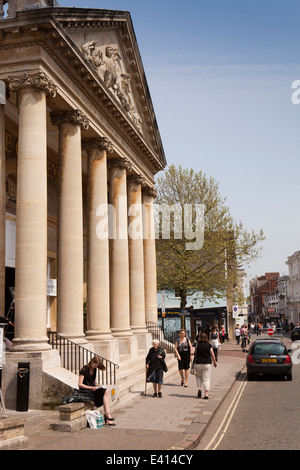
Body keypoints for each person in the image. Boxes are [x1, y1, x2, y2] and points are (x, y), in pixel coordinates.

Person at [78, 356, 116, 426]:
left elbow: (92, 380)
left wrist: (97, 385)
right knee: (104, 392)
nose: (96, 367)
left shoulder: (95, 369)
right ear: (92, 362)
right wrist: (90, 387)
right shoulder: (84, 369)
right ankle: (107, 416)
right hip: (86, 391)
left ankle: (107, 414)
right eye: (95, 365)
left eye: (97, 366)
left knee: (106, 391)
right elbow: (80, 384)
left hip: (93, 389)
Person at [191, 333, 217, 399]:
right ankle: (206, 394)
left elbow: (192, 352)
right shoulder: (209, 345)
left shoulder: (196, 344)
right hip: (207, 364)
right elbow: (212, 354)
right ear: (206, 338)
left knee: (198, 377)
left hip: (198, 363)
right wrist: (214, 362)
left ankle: (199, 389)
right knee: (206, 379)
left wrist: (191, 357)